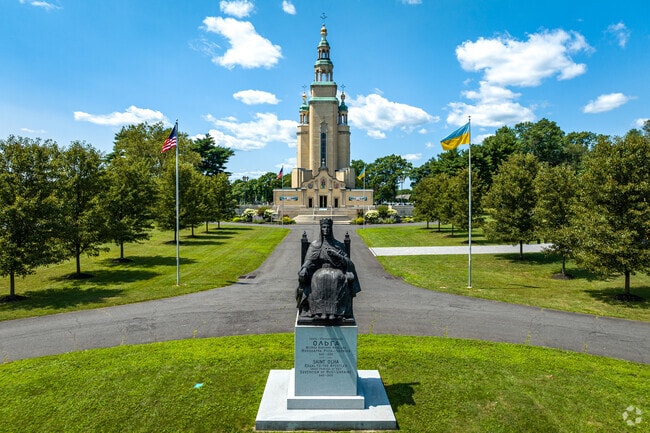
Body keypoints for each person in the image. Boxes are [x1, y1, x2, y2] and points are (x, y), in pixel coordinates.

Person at [296, 218, 361, 324]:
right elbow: (309, 260)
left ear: (331, 229)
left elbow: (348, 262)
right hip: (320, 270)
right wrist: (304, 269)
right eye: (324, 227)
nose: (326, 229)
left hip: (336, 270)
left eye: (328, 227)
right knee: (319, 278)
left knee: (336, 278)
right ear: (321, 229)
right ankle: (319, 312)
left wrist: (337, 255)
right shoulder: (315, 245)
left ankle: (335, 312)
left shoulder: (338, 245)